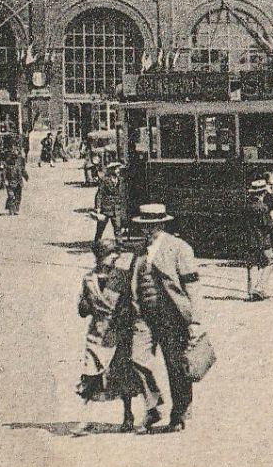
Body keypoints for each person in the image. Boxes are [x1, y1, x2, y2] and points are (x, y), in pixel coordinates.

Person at [127, 203, 200, 433]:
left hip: (171, 316)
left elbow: (192, 286)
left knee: (176, 366)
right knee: (137, 358)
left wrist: (194, 320)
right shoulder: (139, 250)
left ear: (161, 224)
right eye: (143, 226)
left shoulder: (179, 248)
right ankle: (154, 404)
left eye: (151, 226)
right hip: (144, 316)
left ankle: (179, 413)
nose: (146, 231)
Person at [77, 237, 140, 431]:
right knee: (90, 375)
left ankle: (128, 416)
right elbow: (82, 310)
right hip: (97, 333)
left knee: (123, 374)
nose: (116, 257)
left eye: (116, 253)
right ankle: (84, 419)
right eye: (112, 253)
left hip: (119, 331)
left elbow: (131, 304)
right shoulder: (88, 279)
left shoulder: (122, 276)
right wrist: (86, 304)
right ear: (101, 256)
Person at [243, 179, 273, 301]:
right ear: (262, 193)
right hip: (263, 241)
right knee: (270, 262)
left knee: (251, 265)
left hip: (250, 241)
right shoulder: (262, 208)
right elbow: (268, 225)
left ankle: (251, 292)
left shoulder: (247, 206)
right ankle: (259, 288)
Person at [93, 163, 126, 243]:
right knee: (100, 228)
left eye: (118, 169)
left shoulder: (121, 180)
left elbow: (123, 195)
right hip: (106, 209)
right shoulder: (105, 180)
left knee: (117, 228)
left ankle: (119, 245)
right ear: (111, 170)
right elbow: (99, 194)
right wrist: (98, 207)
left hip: (116, 209)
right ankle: (97, 243)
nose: (118, 171)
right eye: (116, 169)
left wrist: (123, 208)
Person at [2, 149, 28, 215]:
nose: (15, 158)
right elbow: (4, 173)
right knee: (11, 196)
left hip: (19, 182)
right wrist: (5, 180)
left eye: (16, 156)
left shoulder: (21, 161)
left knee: (18, 196)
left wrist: (26, 176)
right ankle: (11, 209)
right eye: (13, 156)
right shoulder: (7, 162)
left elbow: (23, 170)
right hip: (10, 182)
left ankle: (16, 209)